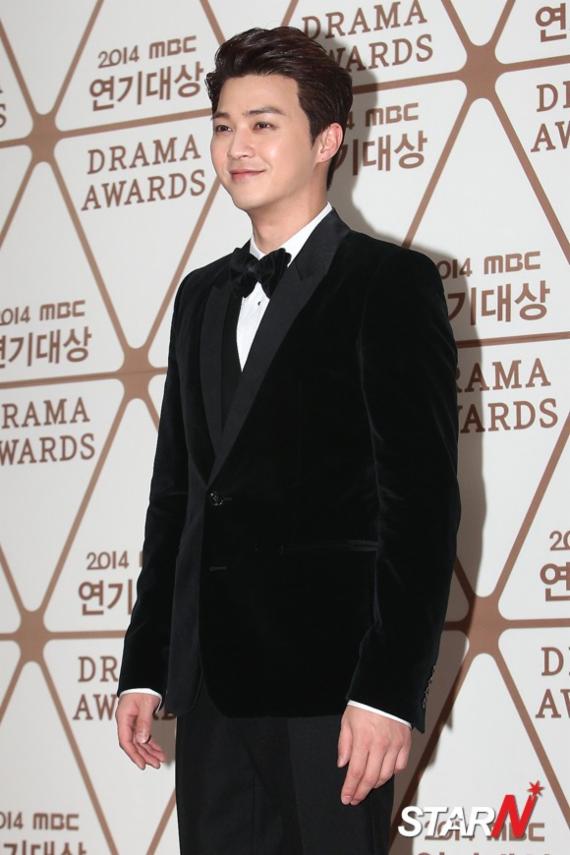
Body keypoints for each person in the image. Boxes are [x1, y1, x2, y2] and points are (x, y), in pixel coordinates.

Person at [115, 25, 461, 855]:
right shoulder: (201, 297)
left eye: (264, 124)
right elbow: (177, 496)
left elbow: (420, 509)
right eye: (224, 125)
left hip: (332, 693)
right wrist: (148, 661)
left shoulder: (389, 283)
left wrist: (387, 689)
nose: (237, 146)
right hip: (210, 690)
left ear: (327, 140)